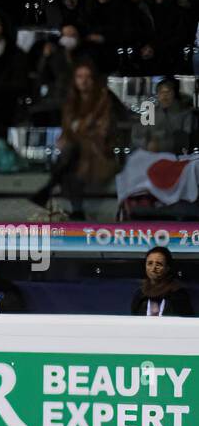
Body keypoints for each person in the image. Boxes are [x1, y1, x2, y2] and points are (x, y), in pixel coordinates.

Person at [29, 60, 128, 220]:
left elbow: (101, 131)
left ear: (94, 79)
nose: (84, 80)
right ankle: (77, 211)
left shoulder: (104, 100)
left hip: (98, 152)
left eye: (87, 76)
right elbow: (68, 130)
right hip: (75, 155)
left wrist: (78, 129)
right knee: (71, 160)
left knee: (71, 155)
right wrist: (75, 132)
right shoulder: (71, 101)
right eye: (79, 76)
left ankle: (49, 189)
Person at [131, 245, 194, 316]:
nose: (153, 268)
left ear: (167, 268)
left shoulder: (178, 295)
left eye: (159, 264)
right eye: (150, 263)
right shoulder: (140, 294)